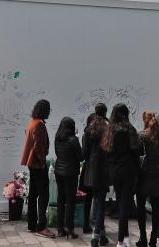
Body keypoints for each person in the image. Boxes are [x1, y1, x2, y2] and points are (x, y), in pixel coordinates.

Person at [102, 103, 141, 247]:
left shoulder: (109, 130)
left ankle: (125, 238)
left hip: (114, 171)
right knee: (124, 204)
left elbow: (106, 151)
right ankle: (120, 241)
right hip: (128, 170)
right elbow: (136, 151)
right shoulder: (129, 129)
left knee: (120, 202)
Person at [22, 98, 55, 238]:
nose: (49, 112)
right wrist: (42, 162)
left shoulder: (32, 122)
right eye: (48, 110)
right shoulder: (40, 124)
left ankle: (31, 224)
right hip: (37, 164)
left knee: (33, 194)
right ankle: (41, 226)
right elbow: (39, 147)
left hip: (31, 163)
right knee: (44, 195)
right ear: (44, 111)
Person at [136, 111, 159, 247]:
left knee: (140, 210)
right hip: (158, 178)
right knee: (157, 210)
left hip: (143, 177)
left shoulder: (141, 136)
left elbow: (136, 156)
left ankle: (142, 238)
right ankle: (153, 240)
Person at [83, 111, 111, 247]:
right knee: (100, 204)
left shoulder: (88, 132)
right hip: (104, 170)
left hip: (92, 171)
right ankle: (97, 237)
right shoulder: (108, 131)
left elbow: (85, 153)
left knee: (98, 202)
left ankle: (99, 236)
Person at [55, 116, 82, 239]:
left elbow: (57, 153)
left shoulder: (57, 138)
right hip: (70, 173)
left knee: (60, 199)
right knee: (70, 200)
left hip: (59, 171)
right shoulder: (74, 140)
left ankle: (60, 228)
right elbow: (80, 157)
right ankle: (70, 228)